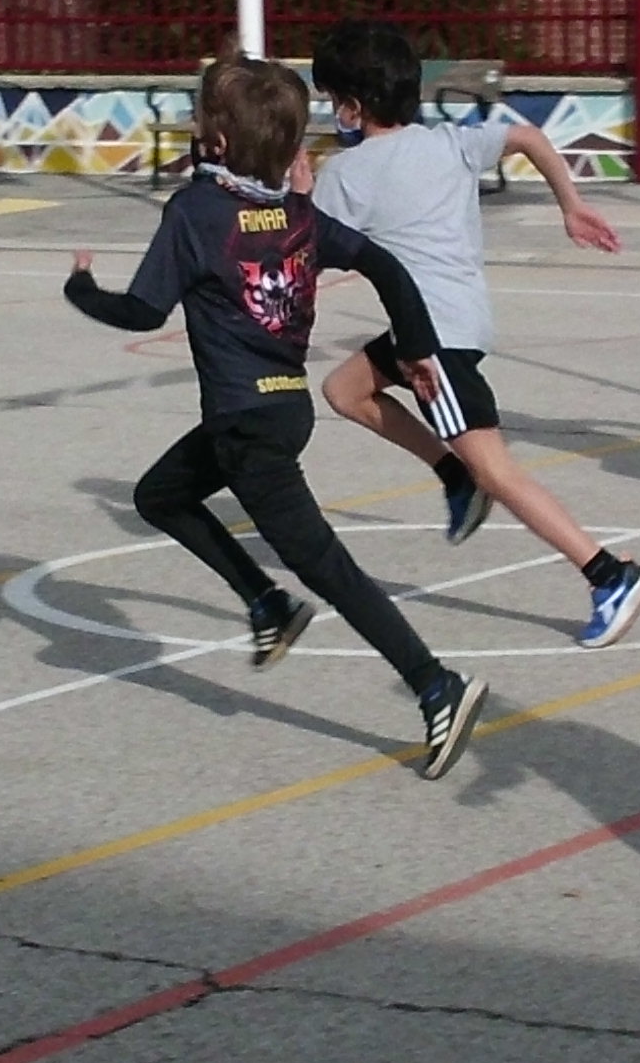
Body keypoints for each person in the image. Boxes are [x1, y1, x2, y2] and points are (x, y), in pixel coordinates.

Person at [65, 52, 491, 777]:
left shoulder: (195, 213)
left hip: (247, 429)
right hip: (282, 410)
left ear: (217, 141)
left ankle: (435, 684)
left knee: (327, 567)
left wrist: (81, 289)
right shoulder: (298, 214)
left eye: (202, 117)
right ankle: (265, 603)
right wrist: (416, 346)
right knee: (159, 495)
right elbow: (387, 267)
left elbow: (141, 310)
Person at [305, 18, 640, 653]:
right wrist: (571, 205)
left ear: (351, 106)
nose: (333, 112)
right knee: (345, 389)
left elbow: (305, 249)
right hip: (461, 322)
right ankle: (453, 474)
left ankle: (607, 574)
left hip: (431, 342)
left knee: (497, 469)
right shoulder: (449, 141)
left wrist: (298, 190)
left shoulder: (346, 173)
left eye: (332, 100)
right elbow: (528, 137)